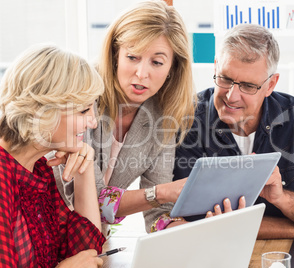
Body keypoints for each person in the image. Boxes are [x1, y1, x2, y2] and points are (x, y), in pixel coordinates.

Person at [173, 24, 294, 239]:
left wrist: (283, 198)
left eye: (248, 86)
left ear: (271, 84)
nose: (231, 96)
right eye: (225, 79)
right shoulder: (188, 119)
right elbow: (190, 222)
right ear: (215, 68)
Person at [52, 0, 196, 236]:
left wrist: (176, 229)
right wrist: (160, 193)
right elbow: (95, 200)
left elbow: (157, 213)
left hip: (95, 242)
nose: (142, 73)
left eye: (157, 62)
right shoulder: (82, 94)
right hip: (48, 236)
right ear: (115, 54)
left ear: (173, 68)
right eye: (132, 57)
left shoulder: (163, 113)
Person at [0, 44, 106, 267]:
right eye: (83, 110)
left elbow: (86, 252)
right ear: (44, 109)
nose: (93, 121)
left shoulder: (39, 169)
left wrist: (85, 169)